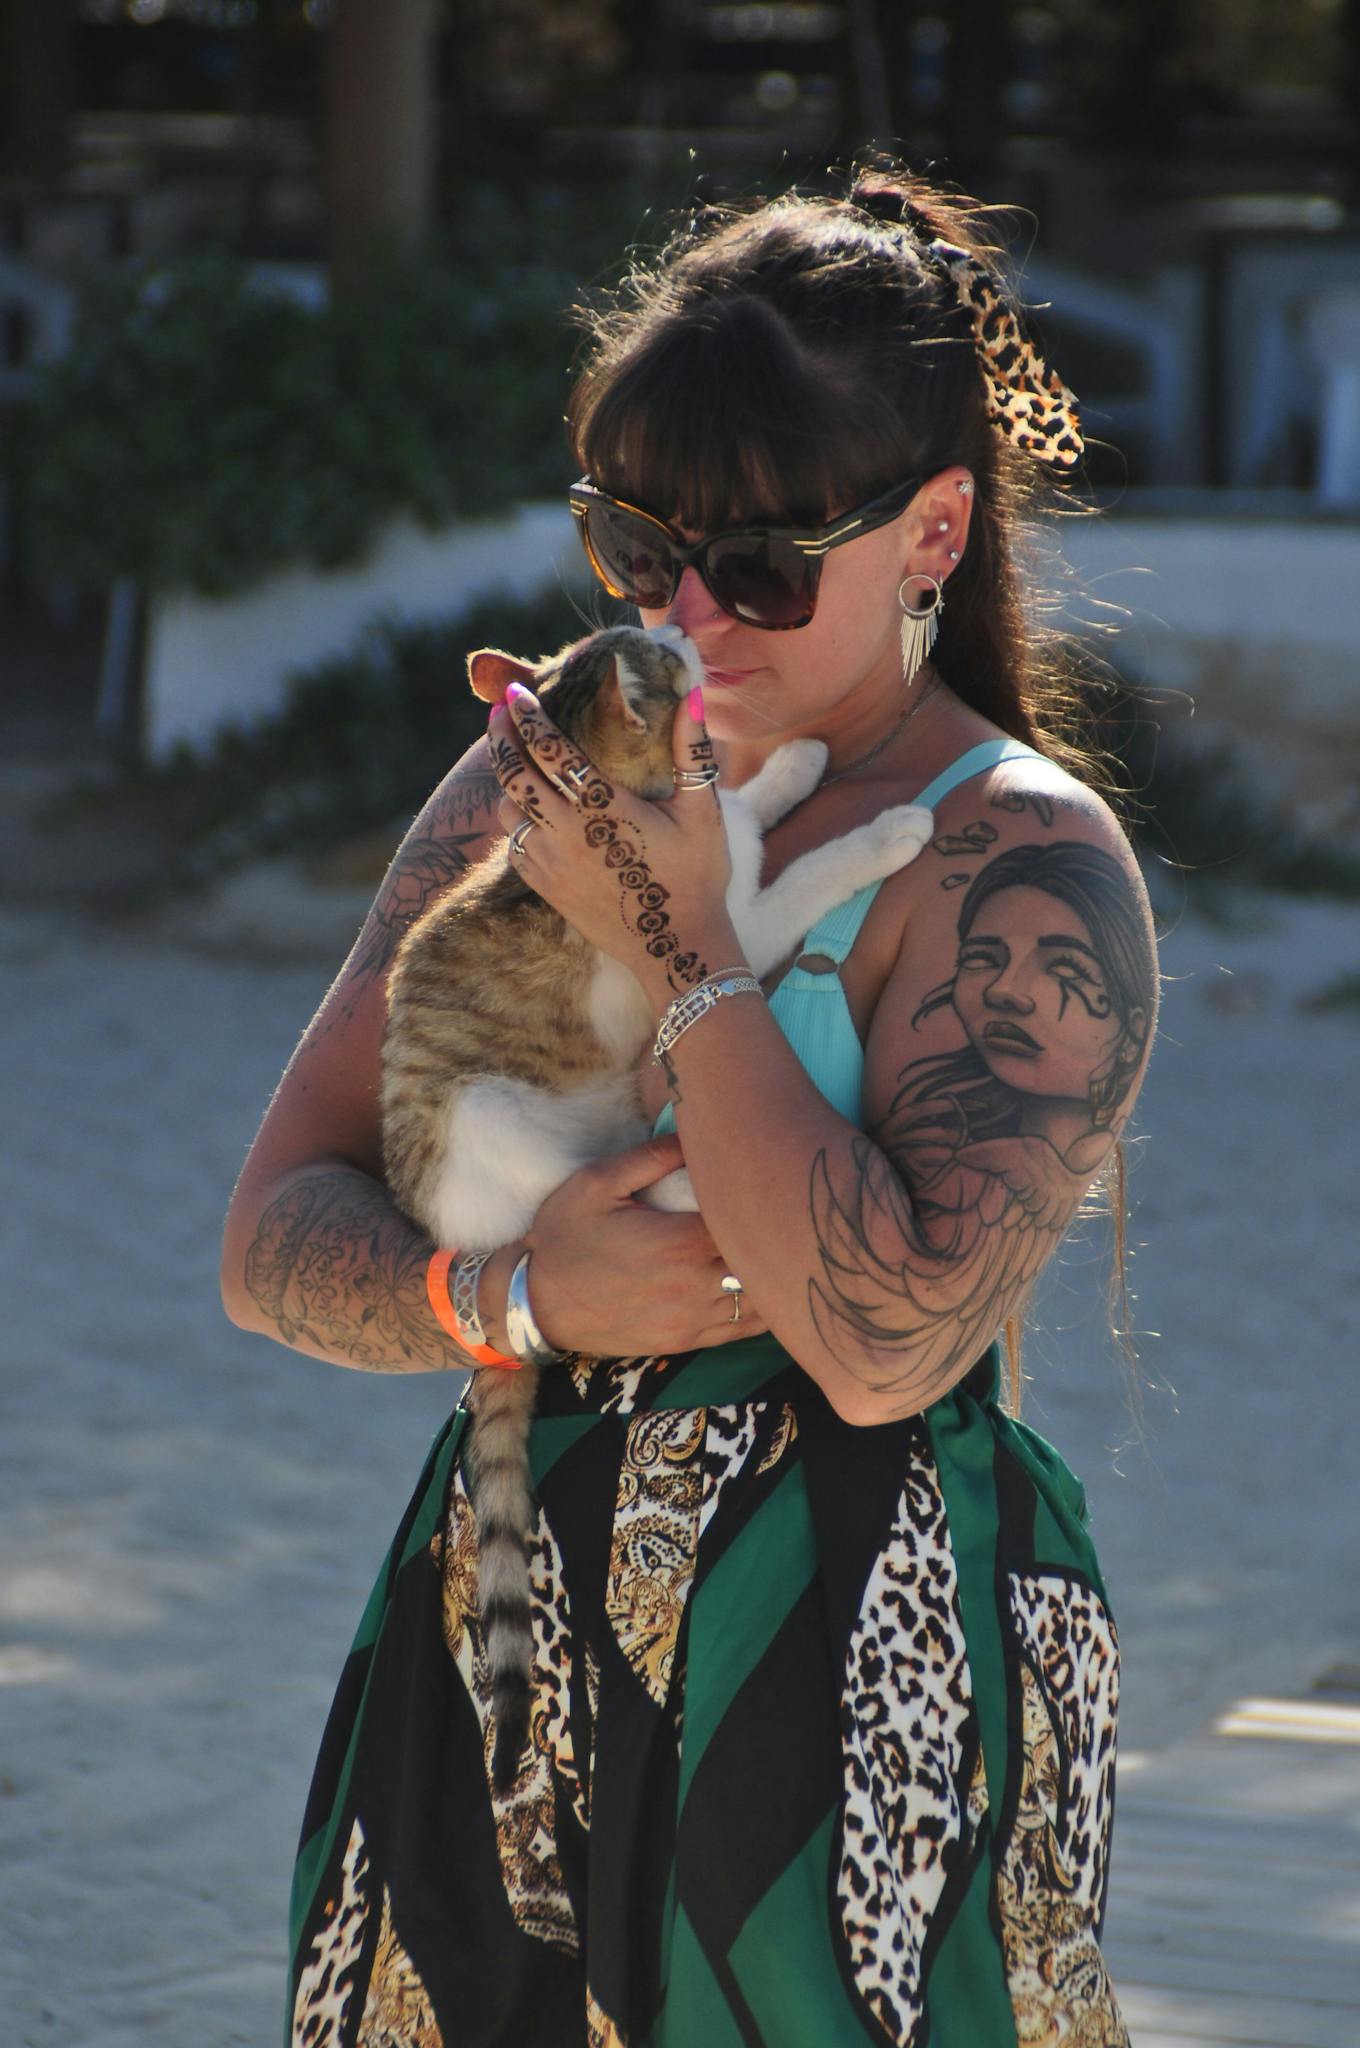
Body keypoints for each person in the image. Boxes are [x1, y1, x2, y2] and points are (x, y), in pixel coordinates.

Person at [222, 165, 1157, 2048]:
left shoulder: (1023, 863)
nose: (689, 619)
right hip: (505, 1633)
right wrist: (510, 1303)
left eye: (760, 569)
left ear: (936, 532)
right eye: (634, 551)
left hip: (834, 1662)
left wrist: (683, 936)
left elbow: (882, 1343)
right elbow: (270, 1237)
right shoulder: (535, 775)